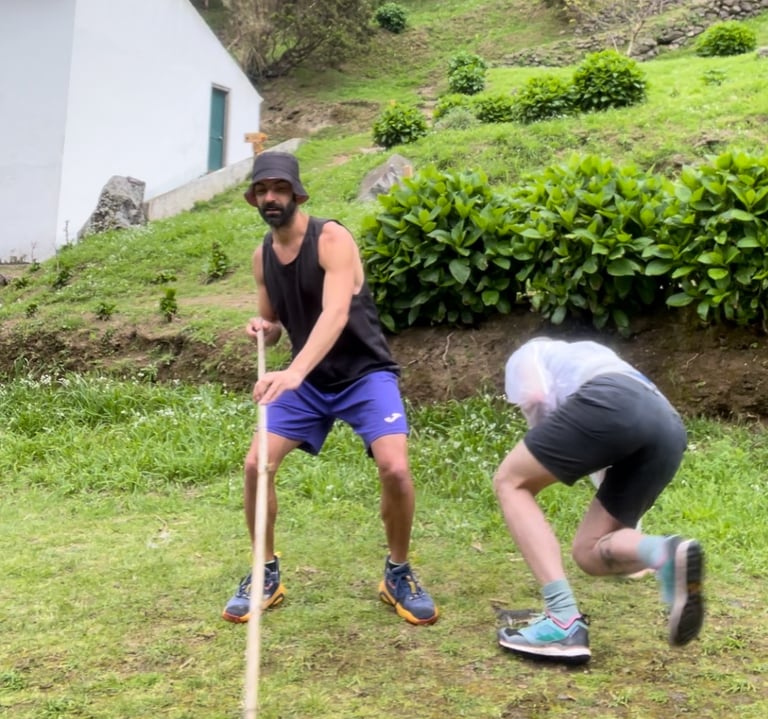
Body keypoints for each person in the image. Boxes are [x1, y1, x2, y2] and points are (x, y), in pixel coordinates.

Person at [221, 151, 438, 626]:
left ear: (298, 194)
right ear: (254, 198)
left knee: (395, 468)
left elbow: (336, 314)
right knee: (257, 465)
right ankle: (264, 572)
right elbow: (274, 324)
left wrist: (293, 372)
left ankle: (398, 573)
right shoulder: (262, 257)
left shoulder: (332, 239)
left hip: (364, 375)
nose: (271, 197)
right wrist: (264, 329)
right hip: (307, 380)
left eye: (280, 188)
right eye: (262, 190)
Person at [494, 336, 704, 663]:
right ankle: (663, 552)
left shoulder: (529, 352)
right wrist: (629, 549)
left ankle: (562, 621)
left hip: (613, 404)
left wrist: (542, 446)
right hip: (668, 425)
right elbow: (607, 454)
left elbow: (535, 396)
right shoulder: (592, 356)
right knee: (589, 553)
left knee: (510, 482)